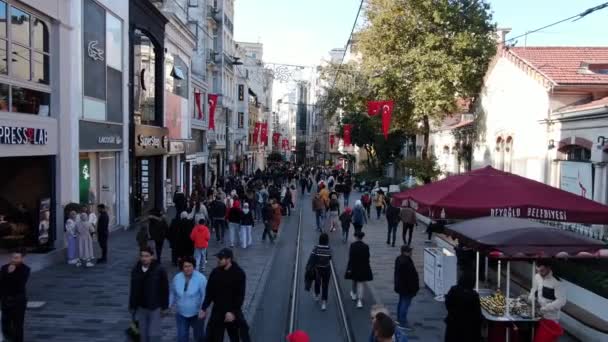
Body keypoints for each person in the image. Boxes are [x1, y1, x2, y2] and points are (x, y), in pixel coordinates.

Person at [201, 248, 250, 342]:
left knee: (237, 336)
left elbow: (240, 296)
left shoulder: (239, 273)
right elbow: (209, 292)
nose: (218, 260)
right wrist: (204, 307)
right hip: (218, 310)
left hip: (232, 310)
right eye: (218, 258)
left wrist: (232, 312)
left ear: (229, 259)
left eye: (221, 258)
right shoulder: (215, 272)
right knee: (213, 337)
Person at [129, 247, 170, 342]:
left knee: (154, 335)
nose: (144, 258)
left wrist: (165, 307)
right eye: (142, 256)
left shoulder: (159, 270)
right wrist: (132, 305)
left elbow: (165, 289)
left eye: (147, 256)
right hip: (141, 307)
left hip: (154, 307)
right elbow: (133, 289)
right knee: (142, 335)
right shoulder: (136, 270)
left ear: (152, 256)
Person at [170, 256, 207, 342]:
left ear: (193, 266)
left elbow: (205, 295)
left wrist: (203, 309)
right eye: (185, 266)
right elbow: (172, 292)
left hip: (197, 314)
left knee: (199, 337)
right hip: (181, 313)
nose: (188, 268)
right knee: (182, 337)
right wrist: (169, 304)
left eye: (190, 266)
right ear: (182, 268)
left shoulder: (201, 279)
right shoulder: (177, 278)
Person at [0, 250, 30, 342]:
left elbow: (19, 284)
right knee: (5, 324)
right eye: (13, 257)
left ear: (21, 259)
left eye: (17, 258)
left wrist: (10, 274)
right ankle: (9, 339)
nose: (14, 260)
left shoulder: (25, 269)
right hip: (5, 300)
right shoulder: (4, 268)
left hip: (18, 301)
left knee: (18, 325)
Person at [444, 273, 482, 342]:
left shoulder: (453, 290)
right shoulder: (473, 295)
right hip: (468, 329)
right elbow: (477, 314)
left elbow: (448, 304)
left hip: (453, 325)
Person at [345, 231, 373, 308]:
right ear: (362, 237)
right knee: (361, 284)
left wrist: (349, 267)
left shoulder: (353, 245)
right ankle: (359, 301)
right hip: (363, 267)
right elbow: (367, 257)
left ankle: (354, 294)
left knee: (354, 280)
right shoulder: (366, 246)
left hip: (354, 266)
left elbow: (351, 257)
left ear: (356, 237)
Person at [394, 246, 418, 330]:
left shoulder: (399, 259)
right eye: (410, 251)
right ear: (405, 252)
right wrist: (413, 288)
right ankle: (402, 322)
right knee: (405, 303)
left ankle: (399, 319)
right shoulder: (406, 262)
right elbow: (410, 277)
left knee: (401, 302)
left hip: (401, 286)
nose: (411, 252)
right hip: (407, 288)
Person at [306, 233, 332, 311]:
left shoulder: (316, 248)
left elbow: (312, 257)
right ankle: (324, 302)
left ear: (319, 239)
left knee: (317, 282)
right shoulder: (328, 248)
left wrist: (309, 267)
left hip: (317, 269)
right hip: (326, 269)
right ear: (327, 240)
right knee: (325, 285)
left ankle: (317, 295)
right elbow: (330, 257)